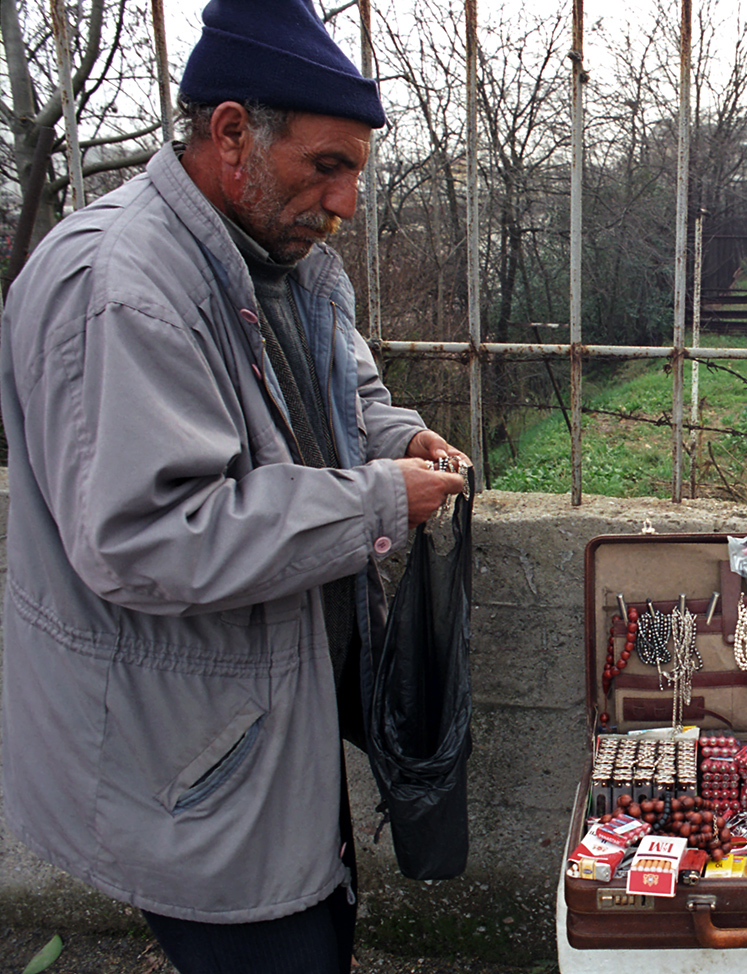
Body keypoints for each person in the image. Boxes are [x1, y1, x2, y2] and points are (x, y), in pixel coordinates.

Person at [0, 1, 467, 970]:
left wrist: (402, 435)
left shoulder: (278, 255)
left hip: (259, 718)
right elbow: (153, 535)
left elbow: (337, 398)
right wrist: (379, 501)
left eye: (355, 173)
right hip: (188, 754)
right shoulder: (127, 285)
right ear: (228, 135)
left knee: (320, 929)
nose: (345, 201)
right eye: (325, 167)